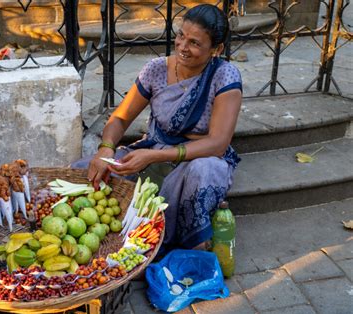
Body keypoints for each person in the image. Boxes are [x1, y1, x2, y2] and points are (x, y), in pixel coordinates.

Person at [72, 4, 242, 254]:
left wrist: (155, 156)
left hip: (201, 157)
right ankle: (111, 233)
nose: (183, 47)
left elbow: (218, 143)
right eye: (181, 36)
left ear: (216, 50)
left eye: (195, 43)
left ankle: (179, 241)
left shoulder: (224, 76)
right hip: (153, 149)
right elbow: (120, 118)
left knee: (199, 171)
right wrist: (105, 149)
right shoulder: (156, 69)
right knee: (83, 171)